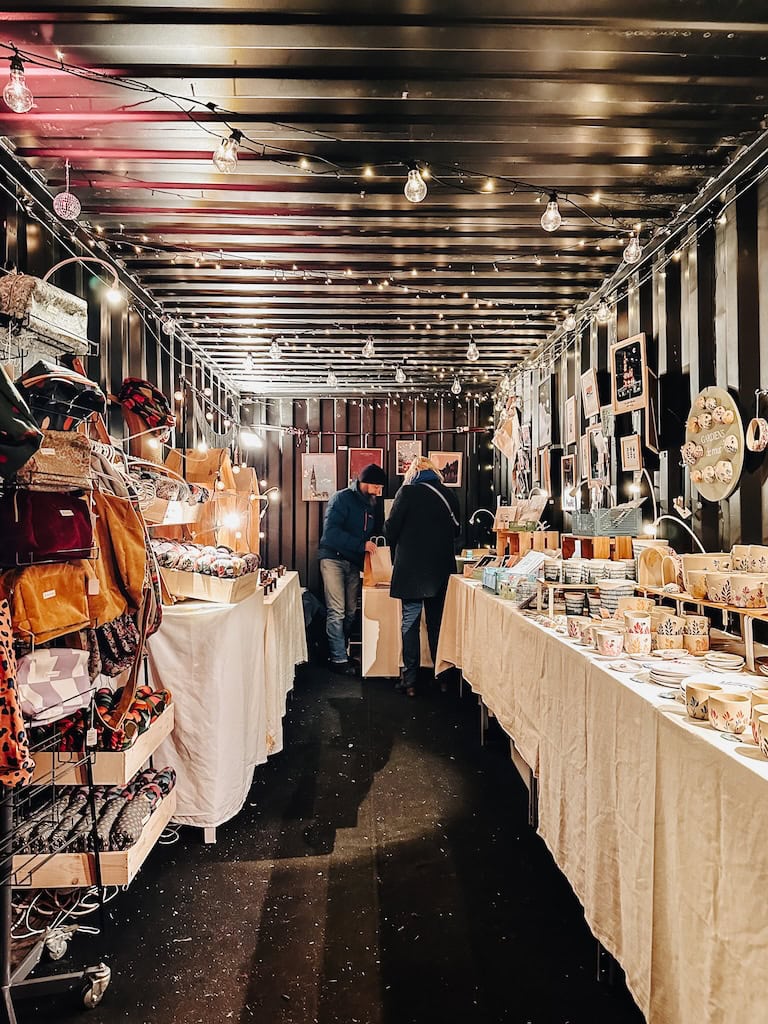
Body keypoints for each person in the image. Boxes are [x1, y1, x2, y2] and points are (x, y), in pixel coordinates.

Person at [385, 456, 461, 697]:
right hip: (440, 569)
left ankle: (410, 681)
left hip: (411, 570)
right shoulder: (448, 495)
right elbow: (457, 530)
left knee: (410, 623)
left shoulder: (407, 493)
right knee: (437, 624)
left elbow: (390, 530)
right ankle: (443, 678)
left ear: (413, 473)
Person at [318, 463, 386, 675]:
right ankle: (338, 658)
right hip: (333, 560)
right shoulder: (341, 498)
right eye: (378, 487)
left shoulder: (372, 504)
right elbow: (330, 533)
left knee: (349, 611)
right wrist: (361, 546)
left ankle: (340, 650)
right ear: (367, 483)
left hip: (354, 562)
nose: (380, 491)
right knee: (336, 610)